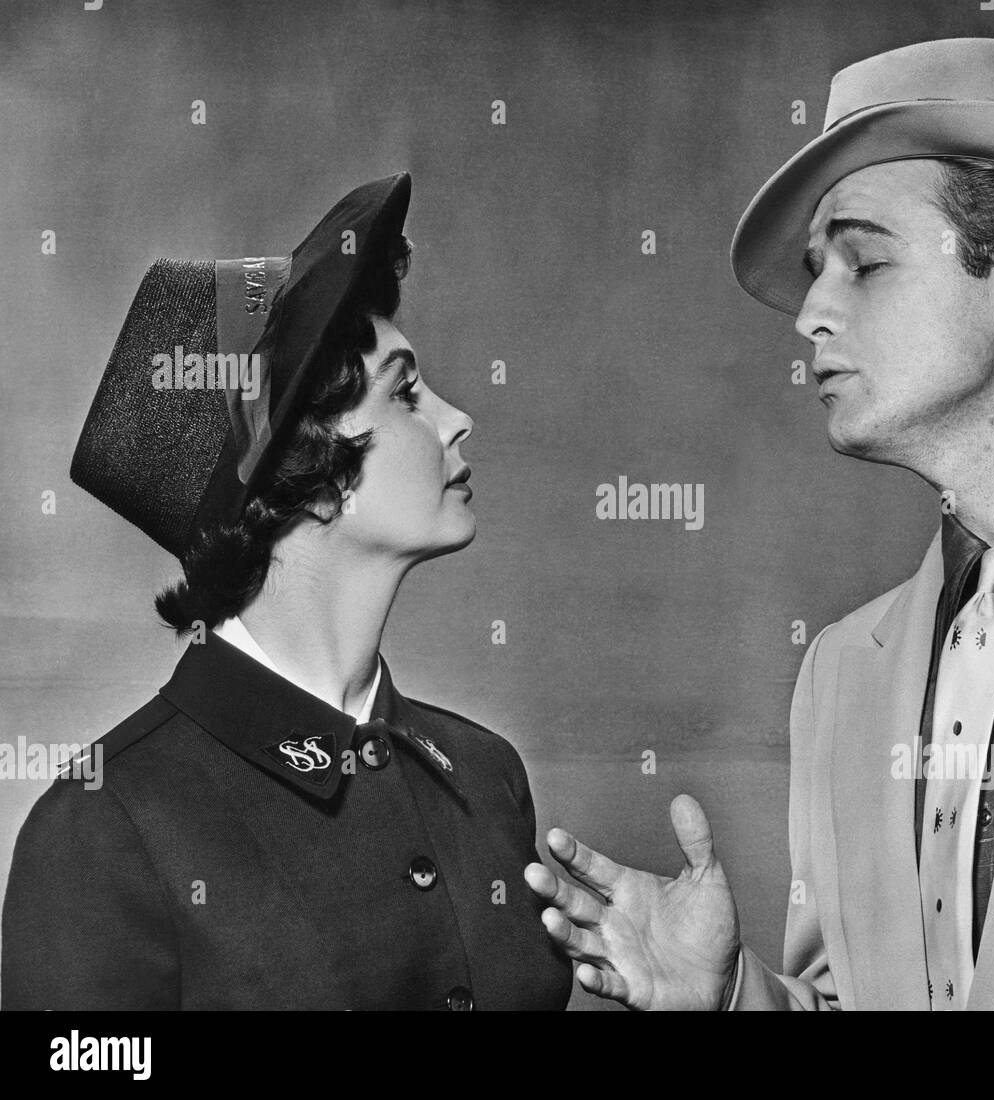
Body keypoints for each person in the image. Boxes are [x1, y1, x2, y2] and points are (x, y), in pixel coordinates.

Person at [524, 38, 994, 1010]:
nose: (808, 312)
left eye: (863, 260)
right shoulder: (840, 673)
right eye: (815, 270)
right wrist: (734, 996)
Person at [2, 173, 572, 1010]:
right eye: (407, 392)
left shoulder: (486, 777)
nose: (456, 421)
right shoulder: (101, 828)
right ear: (308, 477)